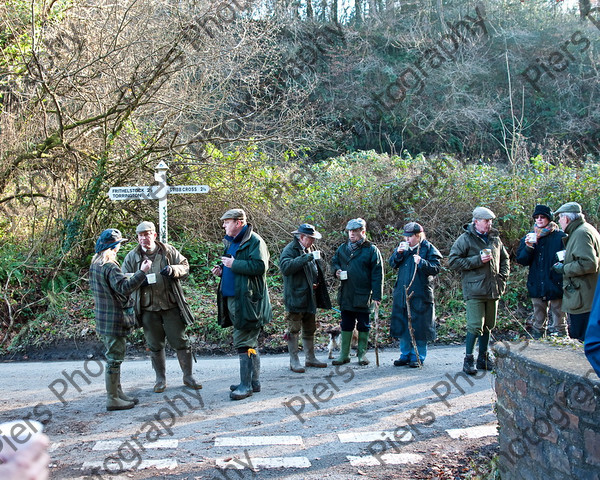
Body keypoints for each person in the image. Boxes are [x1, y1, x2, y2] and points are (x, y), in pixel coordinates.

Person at [122, 221, 200, 393]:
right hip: (148, 309)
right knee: (155, 344)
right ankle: (160, 380)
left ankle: (188, 377)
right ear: (137, 238)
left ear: (154, 235)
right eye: (141, 235)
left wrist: (173, 270)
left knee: (181, 341)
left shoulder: (168, 251)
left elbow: (185, 266)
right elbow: (124, 279)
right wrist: (138, 276)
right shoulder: (132, 256)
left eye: (148, 234)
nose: (144, 238)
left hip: (170, 305)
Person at [211, 209, 272, 400]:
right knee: (249, 342)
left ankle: (246, 386)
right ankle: (253, 381)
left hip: (248, 301)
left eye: (226, 222)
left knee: (244, 343)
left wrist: (233, 265)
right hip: (234, 300)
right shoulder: (232, 241)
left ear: (238, 223)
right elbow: (233, 263)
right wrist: (223, 269)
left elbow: (260, 266)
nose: (223, 225)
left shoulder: (254, 241)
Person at [89, 228, 152, 410]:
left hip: (104, 318)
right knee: (114, 360)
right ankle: (112, 399)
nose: (119, 248)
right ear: (112, 247)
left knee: (114, 358)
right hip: (115, 320)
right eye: (118, 245)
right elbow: (124, 288)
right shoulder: (109, 266)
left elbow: (113, 287)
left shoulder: (96, 264)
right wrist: (142, 272)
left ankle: (118, 394)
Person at [448, 207, 510, 375]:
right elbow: (453, 261)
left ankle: (483, 357)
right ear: (476, 222)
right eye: (486, 221)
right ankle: (468, 359)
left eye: (490, 221)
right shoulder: (465, 239)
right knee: (475, 326)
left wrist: (502, 277)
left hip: (493, 288)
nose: (489, 224)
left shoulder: (495, 238)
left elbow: (505, 258)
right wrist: (477, 260)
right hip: (474, 289)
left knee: (489, 325)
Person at [330, 218, 384, 366]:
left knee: (364, 325)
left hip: (364, 295)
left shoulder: (371, 250)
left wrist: (377, 296)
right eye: (350, 231)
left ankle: (362, 355)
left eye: (355, 231)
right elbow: (334, 262)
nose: (351, 234)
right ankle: (344, 355)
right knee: (346, 324)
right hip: (346, 293)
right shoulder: (342, 248)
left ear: (363, 232)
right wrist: (336, 271)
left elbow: (378, 274)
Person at [279, 223, 331, 373]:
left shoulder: (309, 248)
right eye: (311, 238)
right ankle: (294, 361)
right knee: (293, 329)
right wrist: (305, 258)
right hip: (295, 297)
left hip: (310, 296)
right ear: (301, 237)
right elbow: (286, 268)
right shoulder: (290, 249)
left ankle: (310, 358)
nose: (313, 241)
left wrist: (316, 283)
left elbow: (313, 269)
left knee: (310, 328)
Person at [389, 222, 442, 368]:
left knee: (420, 326)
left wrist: (422, 263)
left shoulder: (428, 248)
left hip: (421, 294)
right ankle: (405, 355)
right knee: (403, 324)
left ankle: (418, 356)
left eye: (410, 236)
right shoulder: (403, 248)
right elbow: (392, 264)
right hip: (402, 293)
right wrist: (398, 254)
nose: (407, 239)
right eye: (405, 236)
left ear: (418, 236)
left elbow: (436, 268)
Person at [516, 204, 567, 338]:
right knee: (538, 322)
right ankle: (538, 349)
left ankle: (564, 350)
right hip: (536, 284)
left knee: (559, 322)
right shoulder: (529, 237)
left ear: (549, 219)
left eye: (542, 217)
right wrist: (528, 247)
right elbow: (521, 260)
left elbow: (567, 258)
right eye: (536, 217)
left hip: (556, 283)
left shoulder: (561, 237)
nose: (539, 219)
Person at [551, 202, 600, 341]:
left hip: (584, 298)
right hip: (587, 296)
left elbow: (589, 263)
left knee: (583, 339)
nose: (559, 222)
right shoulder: (585, 229)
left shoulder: (581, 233)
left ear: (566, 219)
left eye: (559, 218)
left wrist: (564, 268)